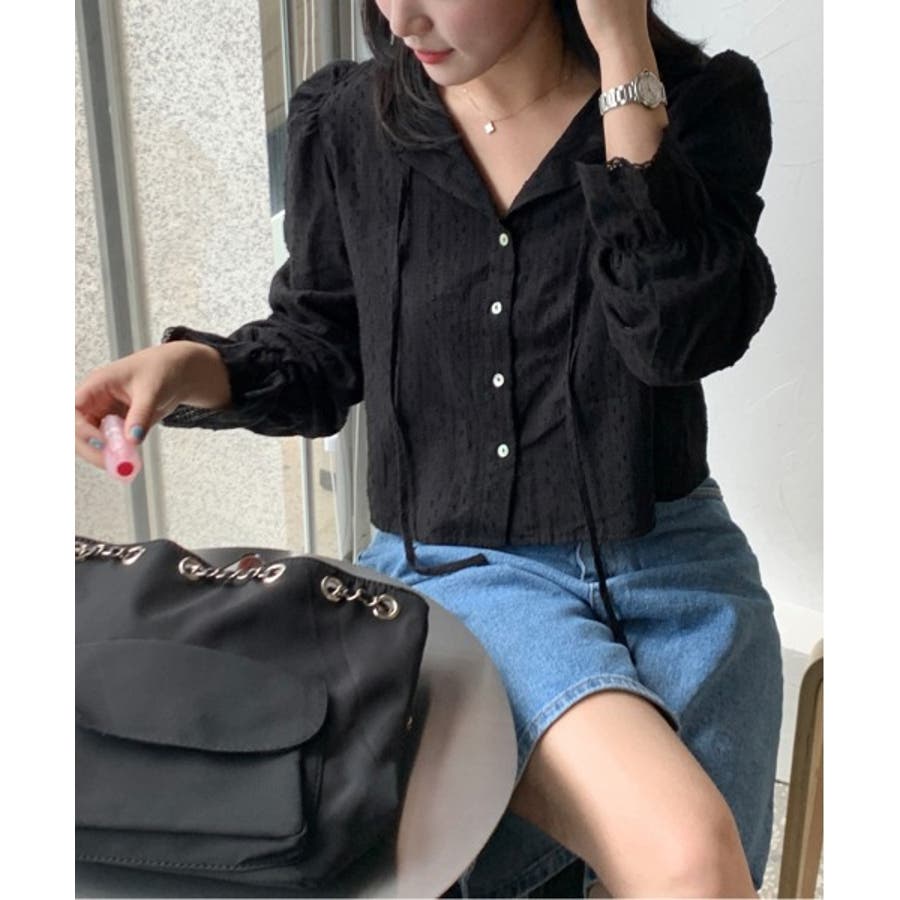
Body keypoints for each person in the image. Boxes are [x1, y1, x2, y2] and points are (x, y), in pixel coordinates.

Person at [74, 1, 784, 896]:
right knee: (690, 860)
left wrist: (620, 49)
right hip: (464, 568)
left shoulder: (697, 104)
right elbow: (322, 343)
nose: (401, 15)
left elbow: (673, 340)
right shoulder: (347, 122)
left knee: (706, 864)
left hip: (678, 574)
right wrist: (193, 368)